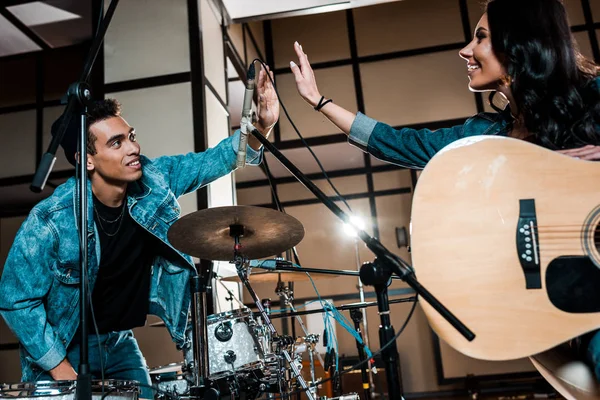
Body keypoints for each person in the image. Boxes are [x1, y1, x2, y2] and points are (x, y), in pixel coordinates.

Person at [289, 0, 599, 381]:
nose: (465, 50)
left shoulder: (592, 99)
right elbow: (401, 143)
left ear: (518, 46)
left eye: (480, 38)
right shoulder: (487, 135)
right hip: (577, 306)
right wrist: (319, 102)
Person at [0, 65, 279, 399]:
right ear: (86, 159)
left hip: (118, 341)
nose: (133, 148)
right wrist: (63, 371)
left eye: (131, 137)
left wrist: (261, 126)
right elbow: (15, 300)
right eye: (116, 143)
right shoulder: (51, 220)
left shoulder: (155, 181)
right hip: (61, 350)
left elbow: (214, 159)